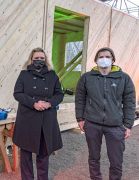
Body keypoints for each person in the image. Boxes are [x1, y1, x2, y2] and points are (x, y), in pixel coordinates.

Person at [75, 47, 136, 180]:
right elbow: (80, 99)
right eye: (101, 57)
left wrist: (128, 124)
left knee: (116, 160)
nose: (104, 59)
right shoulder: (86, 78)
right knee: (94, 157)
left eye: (107, 57)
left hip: (115, 125)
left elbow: (130, 102)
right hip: (92, 123)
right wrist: (80, 118)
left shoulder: (124, 78)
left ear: (113, 60)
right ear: (96, 60)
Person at [12, 47, 64, 180]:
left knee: (43, 154)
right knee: (26, 154)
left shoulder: (52, 75)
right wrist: (33, 103)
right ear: (31, 59)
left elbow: (59, 94)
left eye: (42, 58)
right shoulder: (24, 74)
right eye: (36, 58)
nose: (39, 60)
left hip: (46, 118)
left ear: (45, 60)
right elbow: (17, 93)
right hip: (27, 118)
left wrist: (49, 103)